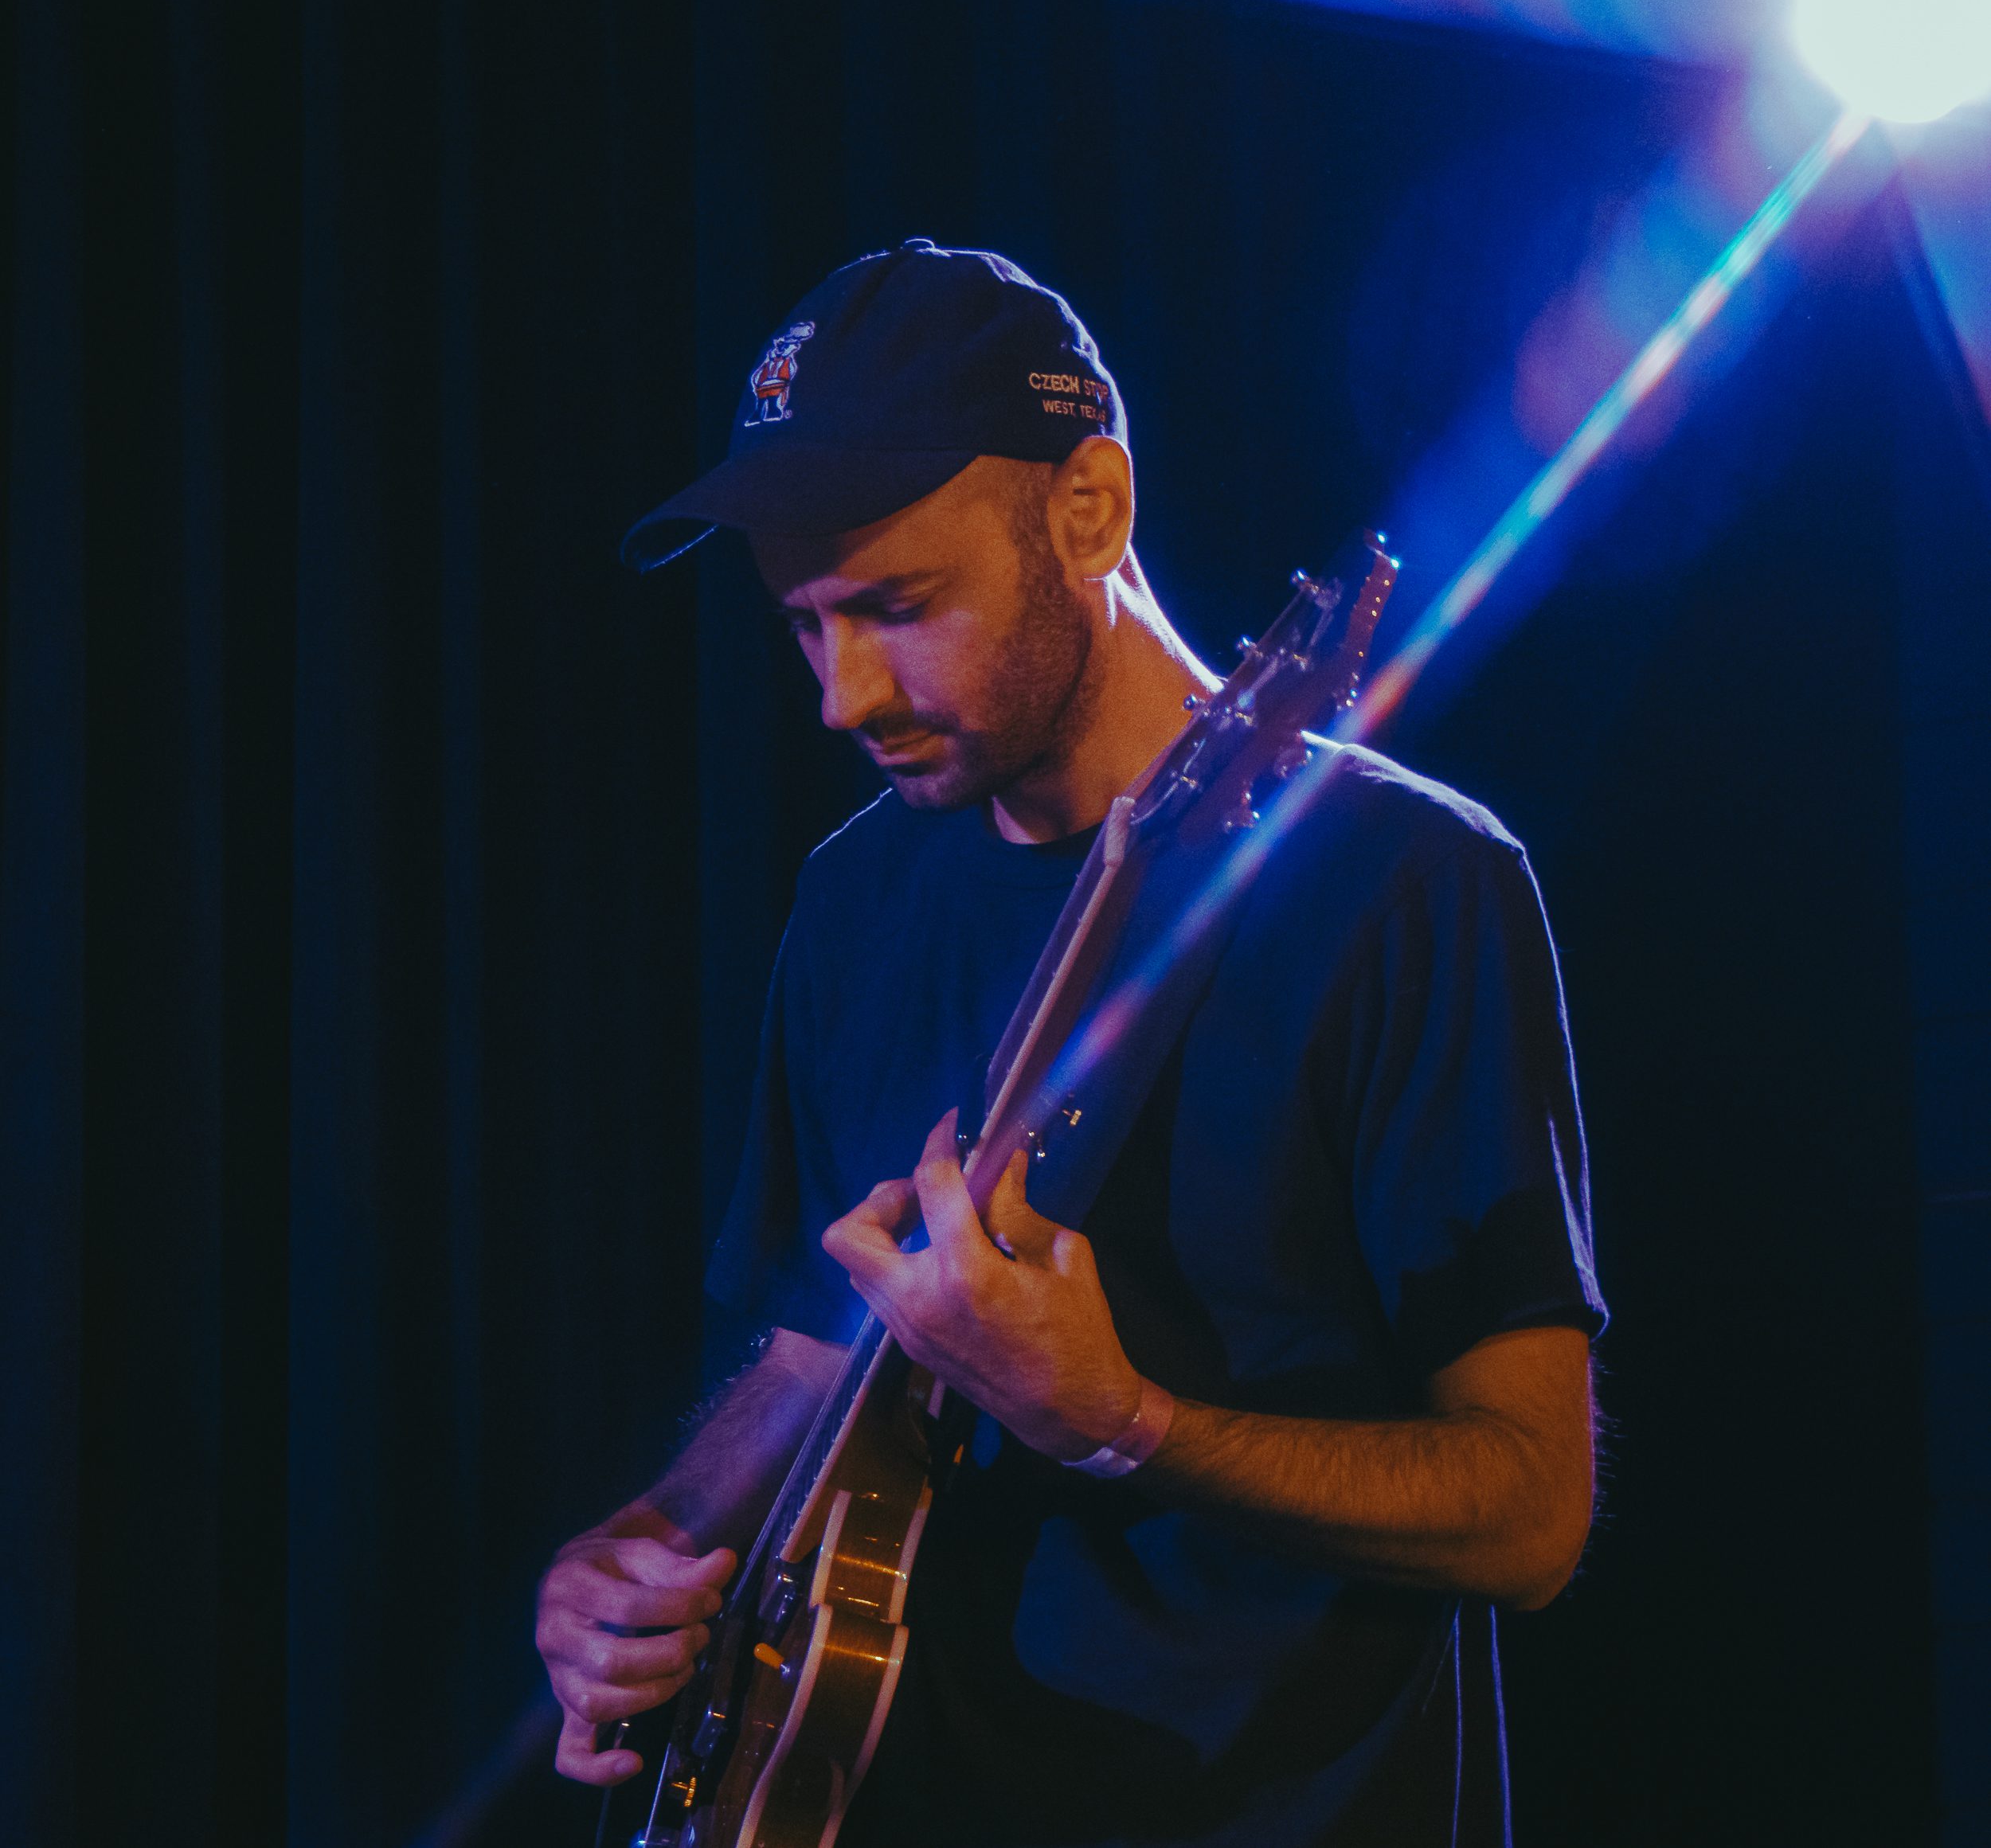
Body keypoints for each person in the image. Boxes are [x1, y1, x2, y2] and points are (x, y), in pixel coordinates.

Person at [534, 240, 1606, 1846]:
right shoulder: (852, 898)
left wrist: (1118, 1417)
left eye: (895, 606)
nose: (843, 694)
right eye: (806, 627)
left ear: (1086, 508)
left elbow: (1528, 1507)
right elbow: (824, 1335)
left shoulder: (1407, 883)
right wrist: (649, 1544)